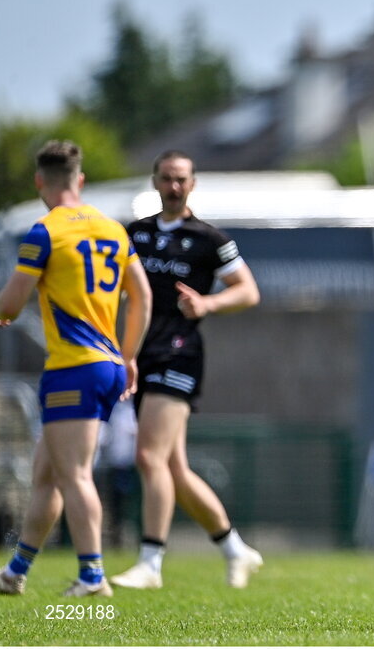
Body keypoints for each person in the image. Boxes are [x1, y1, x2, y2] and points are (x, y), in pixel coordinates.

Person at [0, 140, 152, 597]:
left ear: (40, 182)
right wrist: (129, 354)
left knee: (75, 475)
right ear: (79, 180)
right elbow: (142, 294)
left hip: (73, 368)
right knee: (48, 473)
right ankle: (15, 572)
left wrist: (1, 312)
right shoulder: (113, 230)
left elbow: (10, 302)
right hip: (106, 365)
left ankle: (92, 577)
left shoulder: (45, 231)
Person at [109, 150, 263, 590]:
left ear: (192, 183)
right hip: (140, 354)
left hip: (179, 355)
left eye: (181, 179)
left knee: (148, 457)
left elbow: (248, 291)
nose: (174, 186)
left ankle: (150, 563)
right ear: (154, 181)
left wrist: (207, 303)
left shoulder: (210, 239)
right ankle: (235, 548)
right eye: (166, 178)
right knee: (172, 468)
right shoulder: (132, 234)